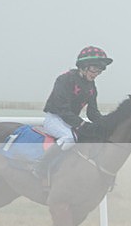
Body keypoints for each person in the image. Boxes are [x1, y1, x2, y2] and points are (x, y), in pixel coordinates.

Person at [32, 46, 112, 179]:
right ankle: (41, 165)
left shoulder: (92, 87)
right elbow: (62, 110)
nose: (96, 73)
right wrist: (81, 124)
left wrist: (106, 123)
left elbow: (92, 113)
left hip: (70, 121)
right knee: (69, 138)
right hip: (55, 118)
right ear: (84, 66)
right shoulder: (64, 79)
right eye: (94, 69)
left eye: (100, 70)